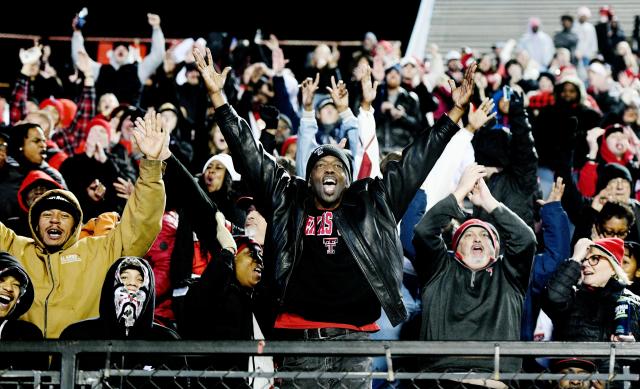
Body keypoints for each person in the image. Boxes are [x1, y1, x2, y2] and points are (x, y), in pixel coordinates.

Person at [194, 47, 480, 387]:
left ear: (348, 178)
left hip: (354, 341)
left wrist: (455, 113)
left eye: (337, 166)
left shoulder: (373, 202)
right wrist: (218, 98)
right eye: (319, 165)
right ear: (308, 176)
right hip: (299, 339)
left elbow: (418, 159)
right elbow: (248, 153)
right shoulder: (288, 199)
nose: (328, 169)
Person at [0, 110, 170, 338]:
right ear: (35, 221)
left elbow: (140, 226)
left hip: (81, 370)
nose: (54, 220)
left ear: (75, 225)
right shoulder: (15, 249)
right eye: (47, 214)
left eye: (64, 216)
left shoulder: (98, 252)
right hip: (26, 369)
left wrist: (151, 167)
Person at [411, 163, 536, 380]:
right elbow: (424, 232)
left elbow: (526, 240)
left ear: (497, 250)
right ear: (455, 248)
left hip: (495, 380)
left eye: (486, 236)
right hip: (442, 379)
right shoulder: (439, 270)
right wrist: (459, 192)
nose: (477, 238)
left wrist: (489, 203)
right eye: (468, 235)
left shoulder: (509, 274)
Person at [60, 256, 182, 387]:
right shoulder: (77, 336)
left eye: (140, 279)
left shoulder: (166, 341)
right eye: (124, 278)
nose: (132, 284)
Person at [0, 251, 45, 370]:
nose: (9, 288)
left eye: (16, 285)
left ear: (19, 299)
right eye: (1, 280)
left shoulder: (29, 336)